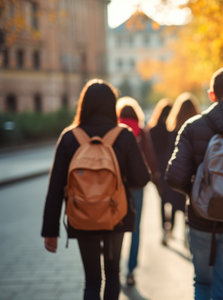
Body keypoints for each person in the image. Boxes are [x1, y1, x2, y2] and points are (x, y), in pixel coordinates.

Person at [41, 79, 151, 300]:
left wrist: (50, 231)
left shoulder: (70, 137)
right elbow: (141, 178)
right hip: (116, 215)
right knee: (112, 275)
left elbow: (55, 187)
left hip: (82, 216)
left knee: (91, 280)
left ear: (84, 104)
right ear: (112, 105)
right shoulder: (125, 135)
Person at [165, 67, 223, 300]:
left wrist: (198, 192)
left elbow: (174, 176)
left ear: (212, 95)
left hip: (200, 218)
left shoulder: (193, 127)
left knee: (202, 281)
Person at [116, 96, 160, 287]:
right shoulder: (141, 131)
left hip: (116, 186)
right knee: (135, 229)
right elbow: (149, 155)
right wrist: (155, 176)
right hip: (136, 186)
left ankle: (113, 267)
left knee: (115, 227)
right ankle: (130, 271)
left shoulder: (114, 130)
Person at [163, 92, 200, 245]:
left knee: (171, 202)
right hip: (193, 174)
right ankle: (187, 234)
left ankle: (168, 230)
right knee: (188, 205)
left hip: (177, 172)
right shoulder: (197, 128)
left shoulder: (173, 129)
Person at [147, 98, 174, 245]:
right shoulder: (173, 129)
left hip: (159, 169)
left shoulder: (153, 129)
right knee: (174, 199)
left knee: (162, 200)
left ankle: (164, 228)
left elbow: (151, 152)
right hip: (172, 168)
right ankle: (172, 226)